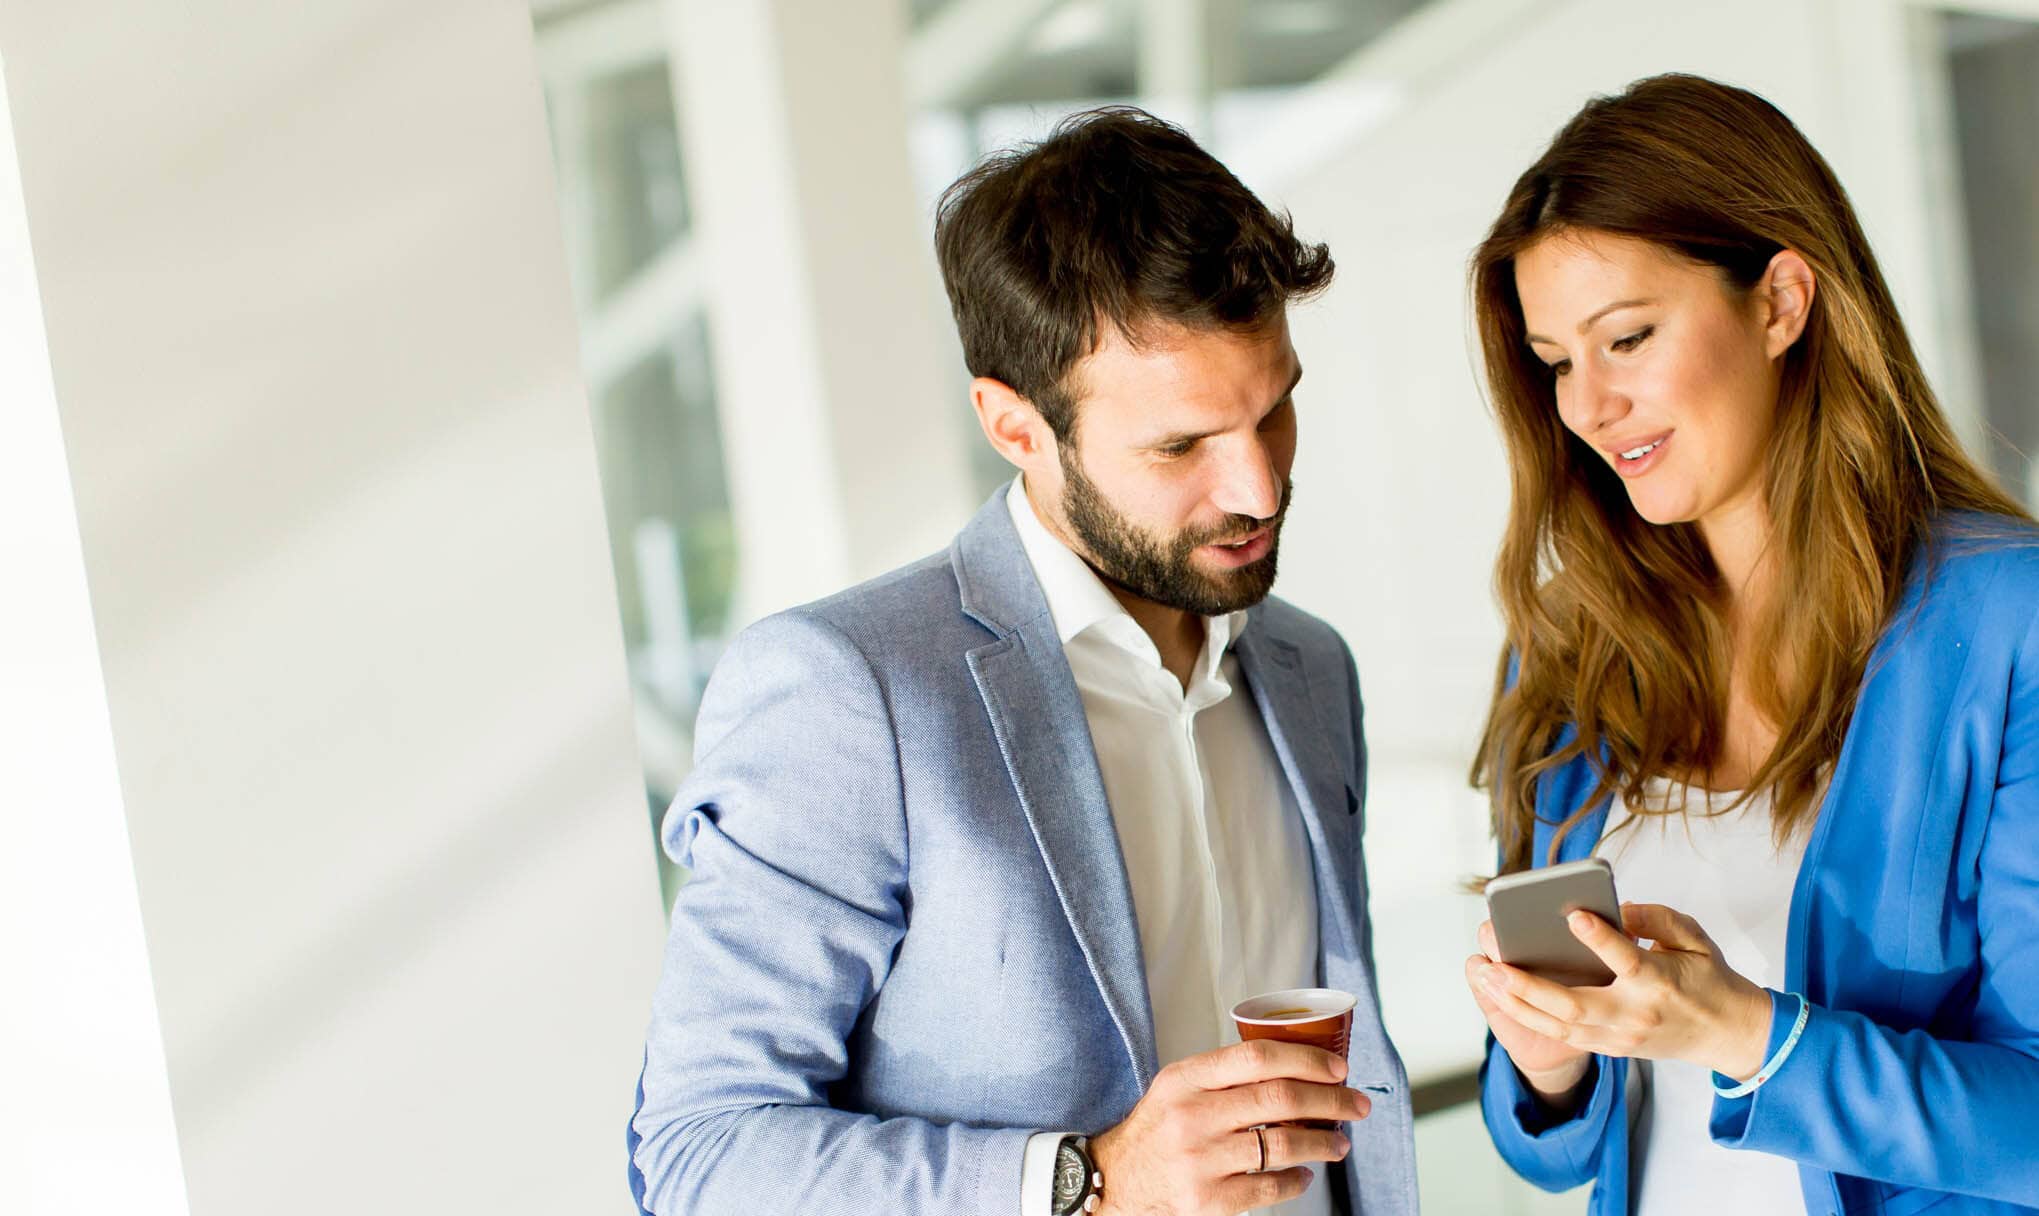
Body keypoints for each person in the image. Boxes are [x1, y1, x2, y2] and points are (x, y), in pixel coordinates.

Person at [628, 106, 1417, 1216]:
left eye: (1273, 410)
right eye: (1179, 445)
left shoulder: (1306, 669)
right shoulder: (846, 692)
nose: (1257, 489)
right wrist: (1089, 1180)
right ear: (1012, 426)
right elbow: (702, 1152)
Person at [1460, 72, 2039, 1216]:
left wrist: (1737, 1028)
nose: (1586, 405)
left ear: (1779, 301)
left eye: (1625, 336)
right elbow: (1550, 1150)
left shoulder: (2003, 624)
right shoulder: (1573, 646)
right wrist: (1546, 1057)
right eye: (1555, 360)